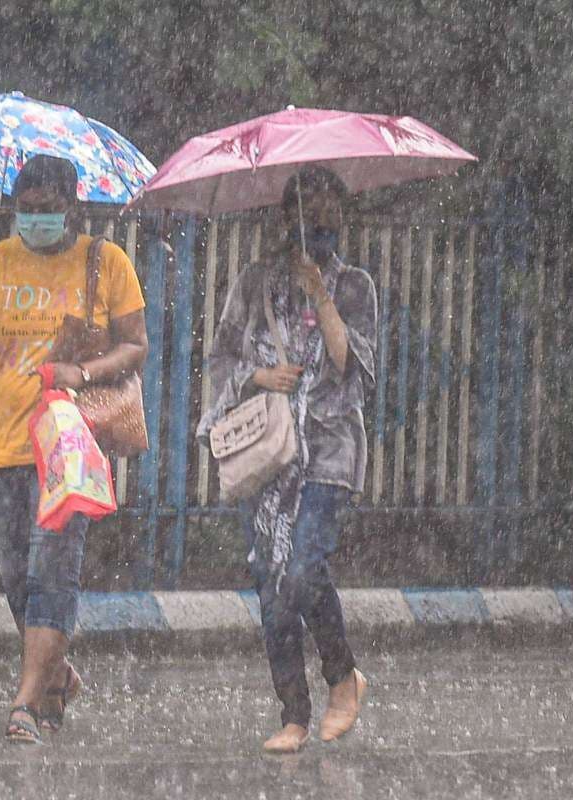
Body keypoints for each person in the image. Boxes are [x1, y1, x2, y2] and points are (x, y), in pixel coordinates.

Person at [0, 155, 148, 744]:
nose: (35, 219)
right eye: (26, 209)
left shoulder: (106, 261)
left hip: (67, 445)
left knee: (52, 573)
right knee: (17, 579)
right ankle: (56, 674)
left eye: (47, 209)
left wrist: (82, 373)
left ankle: (26, 705)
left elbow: (136, 345)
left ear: (70, 208)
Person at [197, 166, 378, 754]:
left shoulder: (355, 286)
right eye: (310, 215)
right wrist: (258, 376)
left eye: (330, 216)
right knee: (271, 582)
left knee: (301, 570)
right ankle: (293, 713)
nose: (320, 226)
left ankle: (342, 676)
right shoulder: (253, 284)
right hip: (268, 453)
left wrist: (319, 293)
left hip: (327, 450)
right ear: (287, 219)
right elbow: (221, 358)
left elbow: (353, 367)